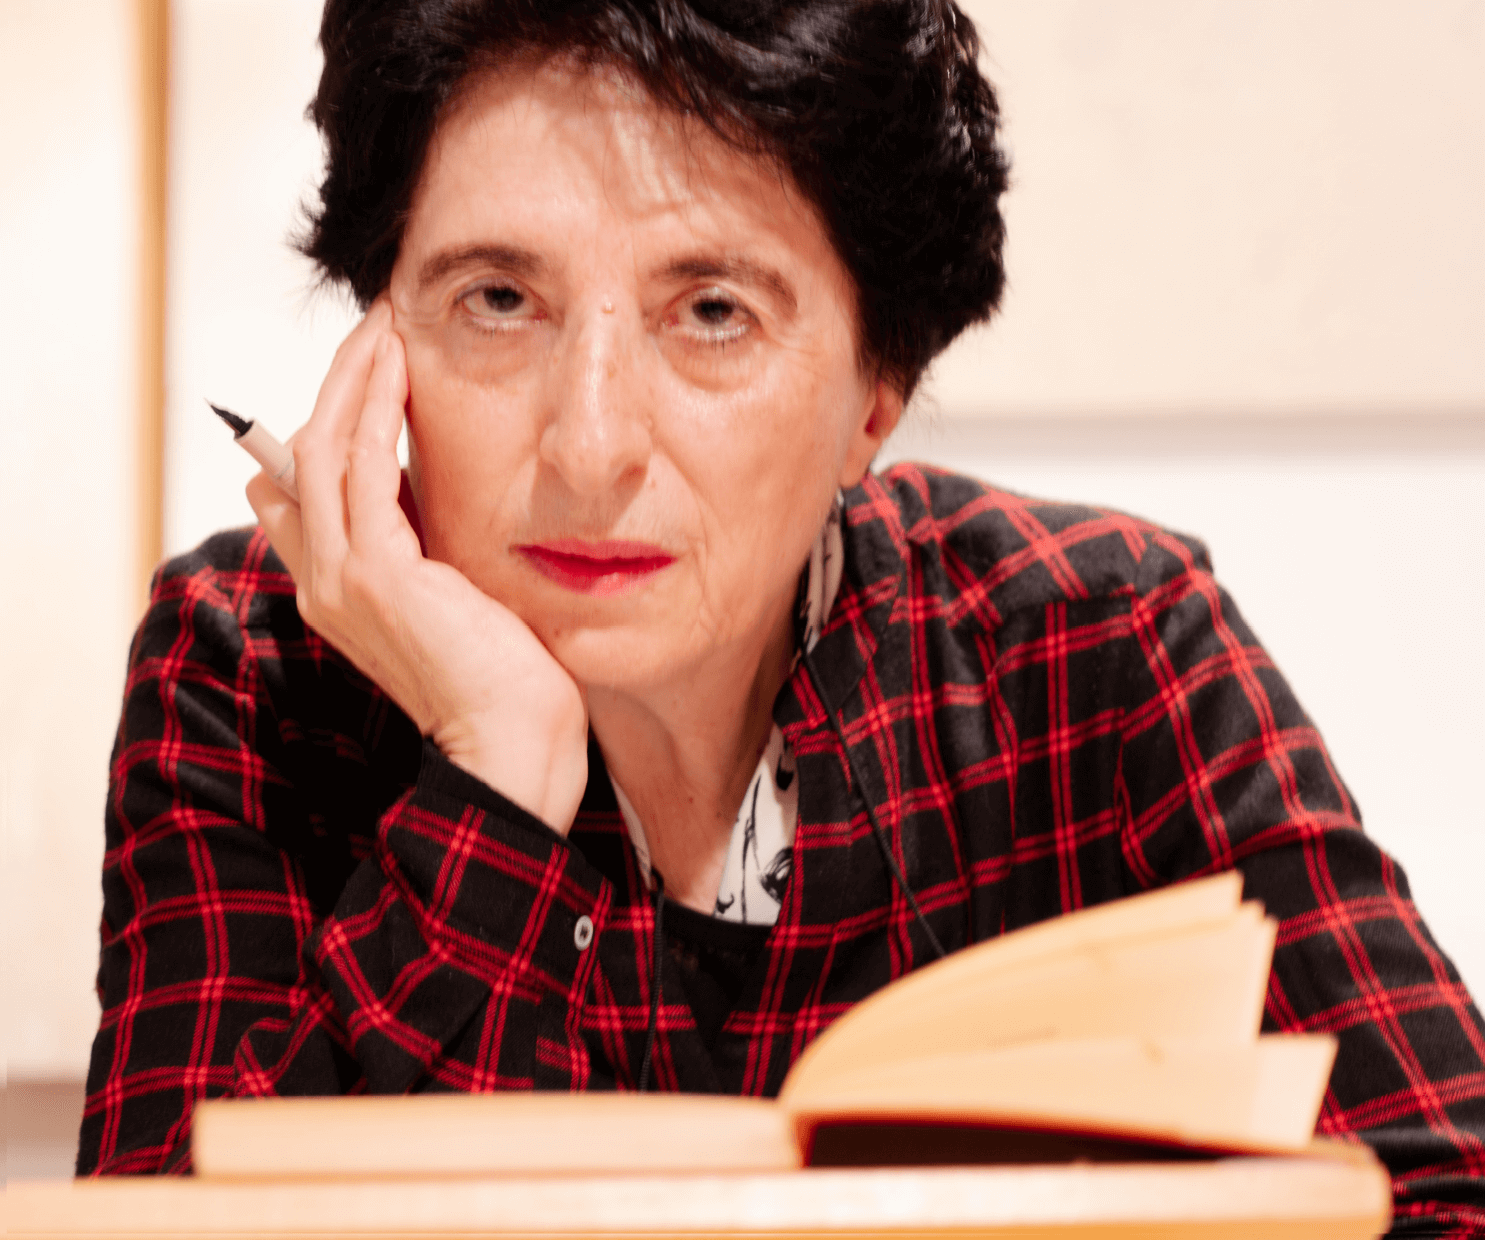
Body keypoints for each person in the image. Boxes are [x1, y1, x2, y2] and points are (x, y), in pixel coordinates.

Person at [78, 0, 1484, 1231]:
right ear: (380, 336)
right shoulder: (250, 669)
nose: (590, 446)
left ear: (874, 393)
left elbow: (1444, 1190)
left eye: (712, 313)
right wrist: (495, 773)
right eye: (498, 299)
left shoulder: (1099, 643)